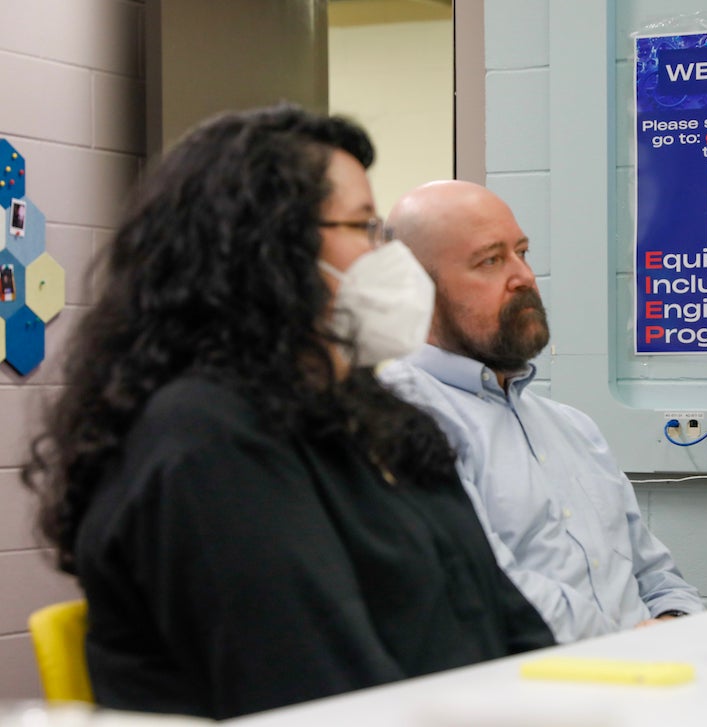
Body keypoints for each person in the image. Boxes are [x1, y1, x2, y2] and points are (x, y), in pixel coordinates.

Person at [21, 106, 554, 720]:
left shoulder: (381, 419)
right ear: (267, 247)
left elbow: (511, 629)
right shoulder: (206, 441)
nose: (389, 258)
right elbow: (322, 693)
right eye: (363, 226)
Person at [378, 180, 704, 643]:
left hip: (643, 681)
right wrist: (634, 644)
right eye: (490, 260)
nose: (524, 277)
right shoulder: (396, 420)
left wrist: (676, 624)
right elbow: (490, 593)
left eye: (522, 253)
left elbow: (658, 576)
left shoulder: (573, 428)